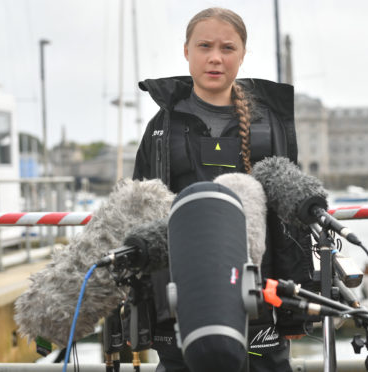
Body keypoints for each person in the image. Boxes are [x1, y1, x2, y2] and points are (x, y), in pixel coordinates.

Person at [132, 7, 312, 372]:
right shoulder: (160, 126)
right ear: (187, 52)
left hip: (258, 295)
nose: (215, 57)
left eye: (227, 48)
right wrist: (145, 307)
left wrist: (293, 310)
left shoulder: (269, 125)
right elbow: (142, 214)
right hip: (182, 290)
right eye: (204, 46)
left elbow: (290, 219)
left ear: (242, 56)